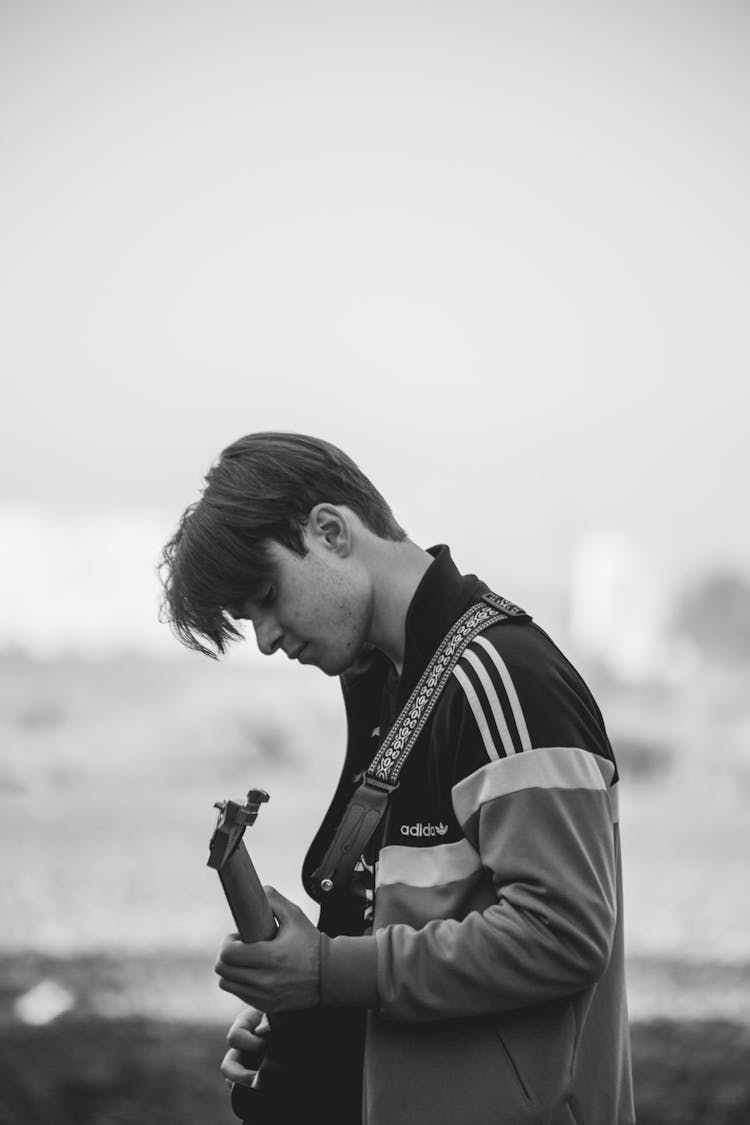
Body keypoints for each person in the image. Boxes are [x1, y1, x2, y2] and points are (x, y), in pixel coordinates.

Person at [159, 431, 635, 1125]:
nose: (264, 638)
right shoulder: (391, 686)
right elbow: (409, 937)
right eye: (247, 620)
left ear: (330, 531)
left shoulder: (498, 676)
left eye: (265, 595)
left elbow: (562, 931)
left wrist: (327, 971)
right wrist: (317, 1029)